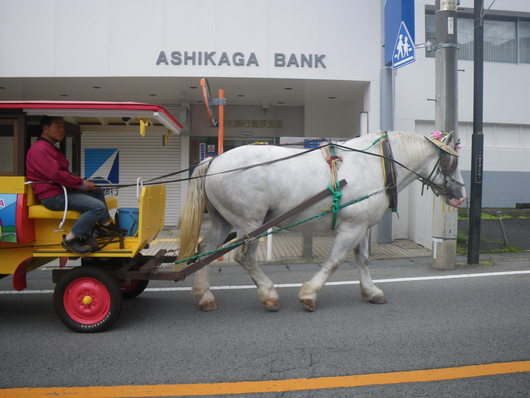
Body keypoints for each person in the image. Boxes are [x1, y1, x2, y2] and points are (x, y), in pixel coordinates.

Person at [26, 116, 119, 253]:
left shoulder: (50, 148)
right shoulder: (40, 149)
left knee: (97, 190)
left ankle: (105, 226)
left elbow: (62, 174)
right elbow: (56, 175)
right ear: (45, 129)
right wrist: (81, 184)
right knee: (97, 207)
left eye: (63, 127)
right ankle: (70, 239)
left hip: (61, 192)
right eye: (58, 126)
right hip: (53, 197)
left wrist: (82, 182)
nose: (62, 130)